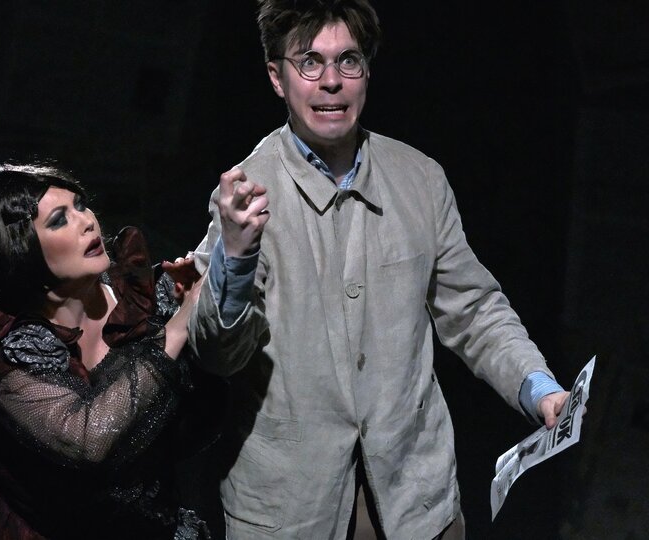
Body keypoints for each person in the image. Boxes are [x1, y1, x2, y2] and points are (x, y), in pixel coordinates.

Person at [187, 1, 571, 538]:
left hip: (415, 499)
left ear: (367, 70)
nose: (331, 82)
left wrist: (538, 387)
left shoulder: (420, 179)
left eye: (348, 61)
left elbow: (474, 309)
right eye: (309, 62)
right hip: (291, 507)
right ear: (277, 78)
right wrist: (236, 253)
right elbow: (217, 353)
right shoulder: (245, 196)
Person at [0, 163, 209, 539]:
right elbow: (88, 439)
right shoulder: (12, 357)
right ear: (23, 253)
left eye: (80, 205)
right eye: (59, 220)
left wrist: (190, 312)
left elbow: (197, 420)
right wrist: (178, 329)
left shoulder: (139, 298)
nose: (87, 221)